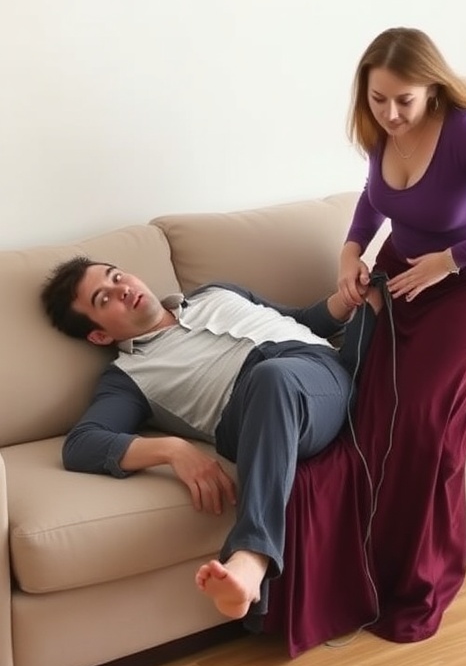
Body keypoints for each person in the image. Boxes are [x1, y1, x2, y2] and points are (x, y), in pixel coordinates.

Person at [261, 27, 466, 656]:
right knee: (373, 418)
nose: (392, 115)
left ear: (433, 87)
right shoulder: (379, 132)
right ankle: (361, 578)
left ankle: (422, 582)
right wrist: (351, 254)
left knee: (426, 424)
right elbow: (372, 208)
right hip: (403, 279)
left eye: (405, 101)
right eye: (378, 101)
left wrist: (451, 261)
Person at [41, 259, 382, 622]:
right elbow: (81, 444)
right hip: (260, 404)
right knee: (272, 377)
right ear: (99, 336)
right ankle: (251, 558)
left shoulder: (217, 291)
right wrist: (172, 449)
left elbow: (301, 319)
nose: (121, 289)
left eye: (117, 276)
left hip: (323, 371)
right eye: (103, 298)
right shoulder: (127, 377)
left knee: (386, 276)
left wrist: (346, 299)